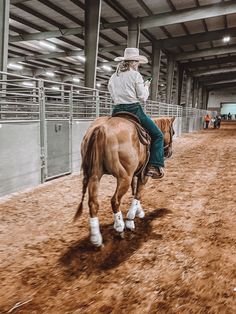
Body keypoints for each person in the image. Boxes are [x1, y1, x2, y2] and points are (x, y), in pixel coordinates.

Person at [108, 47, 164, 179]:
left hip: (117, 110)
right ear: (133, 62)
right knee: (158, 135)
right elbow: (143, 97)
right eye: (137, 62)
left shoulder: (113, 76)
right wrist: (146, 87)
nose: (138, 64)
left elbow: (111, 92)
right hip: (133, 109)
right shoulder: (135, 75)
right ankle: (154, 165)